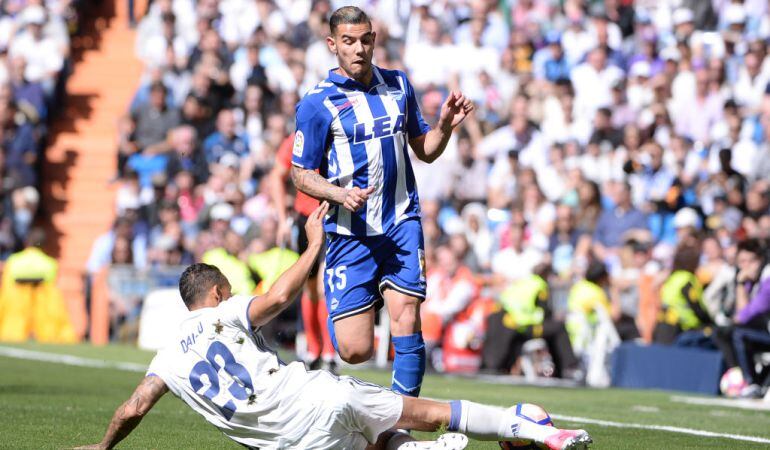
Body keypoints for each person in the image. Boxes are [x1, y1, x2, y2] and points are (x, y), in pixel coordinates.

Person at [75, 203, 592, 450]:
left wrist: (102, 447)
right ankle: (535, 430)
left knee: (382, 447)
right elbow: (279, 296)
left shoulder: (166, 358)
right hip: (314, 396)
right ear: (215, 294)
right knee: (432, 412)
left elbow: (133, 407)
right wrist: (315, 246)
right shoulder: (223, 312)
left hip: (295, 445)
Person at [290, 6, 474, 397]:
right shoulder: (315, 104)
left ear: (375, 39)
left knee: (407, 316)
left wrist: (443, 126)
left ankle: (402, 421)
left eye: (365, 40)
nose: (359, 48)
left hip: (400, 220)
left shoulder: (399, 86)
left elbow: (424, 151)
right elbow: (300, 174)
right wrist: (340, 193)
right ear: (332, 45)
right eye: (349, 41)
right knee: (356, 350)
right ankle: (370, 290)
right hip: (349, 232)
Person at [269, 132, 336, 371]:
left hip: (336, 218)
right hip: (305, 219)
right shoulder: (297, 139)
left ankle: (329, 354)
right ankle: (314, 350)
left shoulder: (341, 134)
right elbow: (277, 174)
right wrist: (282, 219)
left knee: (324, 285)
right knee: (310, 288)